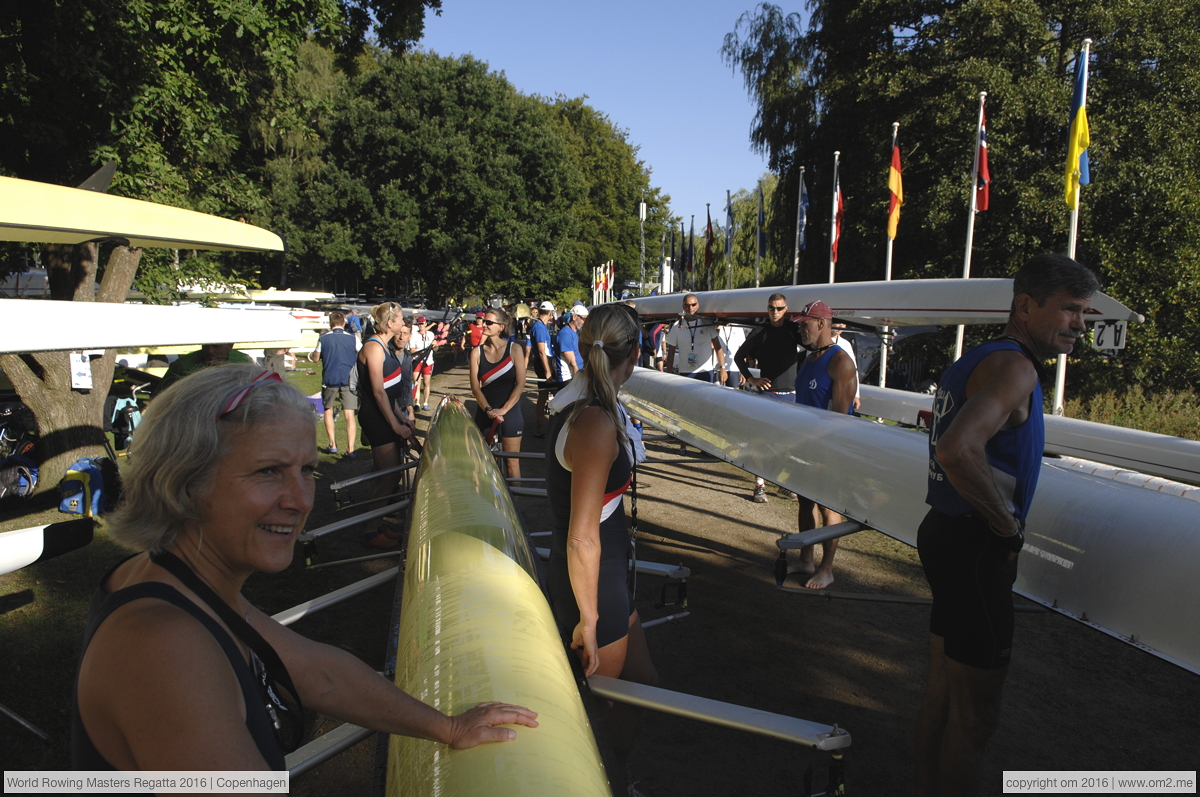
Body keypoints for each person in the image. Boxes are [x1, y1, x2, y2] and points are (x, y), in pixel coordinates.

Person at [72, 365, 538, 772]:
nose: (300, 501)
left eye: (308, 471)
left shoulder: (176, 580)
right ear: (185, 480)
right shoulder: (163, 646)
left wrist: (448, 726)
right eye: (268, 471)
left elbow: (320, 674)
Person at [915, 255, 1098, 797]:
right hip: (974, 547)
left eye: (1084, 313)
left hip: (946, 535)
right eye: (1069, 310)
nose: (1080, 325)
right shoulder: (1015, 368)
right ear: (1025, 306)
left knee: (944, 693)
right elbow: (956, 448)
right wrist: (1007, 526)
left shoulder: (980, 357)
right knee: (977, 718)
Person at [544, 303, 657, 787]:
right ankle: (604, 783)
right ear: (633, 353)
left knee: (643, 687)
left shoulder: (584, 403)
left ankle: (618, 777)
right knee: (604, 710)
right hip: (592, 583)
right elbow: (583, 535)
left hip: (605, 574)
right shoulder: (594, 422)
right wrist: (588, 620)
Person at [789, 300, 858, 589]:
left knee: (829, 507)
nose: (801, 329)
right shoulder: (809, 358)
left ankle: (827, 568)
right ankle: (807, 559)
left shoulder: (840, 361)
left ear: (821, 323)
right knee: (805, 503)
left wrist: (824, 452)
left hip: (830, 448)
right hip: (806, 444)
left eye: (804, 324)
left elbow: (840, 418)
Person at [356, 303, 418, 548]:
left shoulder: (386, 346)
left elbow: (390, 393)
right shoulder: (373, 347)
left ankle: (377, 524)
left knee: (382, 474)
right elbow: (378, 392)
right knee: (390, 476)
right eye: (401, 319)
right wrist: (394, 425)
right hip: (375, 418)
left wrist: (401, 417)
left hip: (386, 415)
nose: (404, 323)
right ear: (390, 323)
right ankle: (371, 530)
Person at [735, 293, 804, 503]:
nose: (775, 312)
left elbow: (812, 346)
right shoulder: (760, 331)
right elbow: (739, 356)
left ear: (786, 309)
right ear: (768, 309)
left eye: (779, 308)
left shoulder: (793, 330)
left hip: (790, 395)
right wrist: (751, 379)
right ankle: (759, 485)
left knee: (787, 444)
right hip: (768, 394)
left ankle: (782, 486)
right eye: (772, 308)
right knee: (761, 441)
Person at [469, 308, 527, 482]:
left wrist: (503, 410)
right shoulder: (476, 353)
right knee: (487, 463)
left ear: (501, 327)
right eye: (484, 321)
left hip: (510, 413)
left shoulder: (514, 349)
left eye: (488, 322)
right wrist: (488, 409)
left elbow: (521, 384)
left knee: (512, 462)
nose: (483, 324)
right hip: (485, 413)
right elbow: (475, 388)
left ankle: (516, 506)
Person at [311, 312, 360, 459]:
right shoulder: (353, 338)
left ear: (330, 323)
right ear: (344, 323)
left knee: (328, 409)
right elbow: (361, 352)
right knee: (349, 413)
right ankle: (350, 448)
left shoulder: (324, 338)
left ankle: (332, 444)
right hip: (348, 378)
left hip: (330, 377)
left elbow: (315, 358)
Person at [664, 293, 723, 383]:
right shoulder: (677, 326)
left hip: (705, 371)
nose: (690, 308)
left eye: (693, 305)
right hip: (685, 372)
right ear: (683, 307)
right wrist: (669, 372)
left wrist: (722, 367)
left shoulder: (707, 323)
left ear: (698, 305)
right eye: (687, 305)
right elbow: (671, 352)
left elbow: (718, 347)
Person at [160, 343, 253, 391]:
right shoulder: (182, 366)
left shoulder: (244, 361)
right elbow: (158, 398)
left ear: (230, 346)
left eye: (216, 346)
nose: (209, 351)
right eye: (205, 345)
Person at [530, 301, 558, 437]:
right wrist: (547, 371)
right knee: (553, 394)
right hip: (544, 363)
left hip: (544, 362)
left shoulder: (540, 326)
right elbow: (542, 351)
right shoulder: (540, 327)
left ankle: (540, 427)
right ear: (551, 313)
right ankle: (541, 427)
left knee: (544, 395)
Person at [408, 316, 441, 412]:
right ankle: (417, 403)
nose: (421, 325)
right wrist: (422, 352)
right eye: (419, 323)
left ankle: (425, 403)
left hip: (428, 362)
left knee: (426, 383)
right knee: (417, 382)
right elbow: (411, 350)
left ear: (426, 323)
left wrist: (435, 346)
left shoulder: (431, 334)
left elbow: (435, 349)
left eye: (422, 323)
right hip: (417, 361)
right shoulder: (414, 335)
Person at [555, 305, 588, 381]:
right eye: (584, 318)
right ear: (574, 317)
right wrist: (578, 381)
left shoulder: (578, 332)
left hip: (578, 374)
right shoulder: (565, 334)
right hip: (568, 378)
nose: (585, 322)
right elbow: (572, 363)